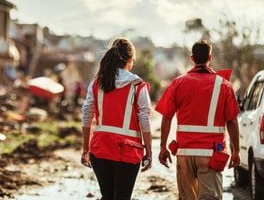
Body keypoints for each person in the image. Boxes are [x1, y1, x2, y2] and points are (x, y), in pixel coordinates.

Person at [155, 40, 240, 200]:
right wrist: (236, 150)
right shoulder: (224, 85)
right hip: (211, 153)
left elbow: (167, 117)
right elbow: (232, 121)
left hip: (184, 153)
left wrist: (163, 147)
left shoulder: (178, 83)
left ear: (192, 58)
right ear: (210, 57)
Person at [81, 38, 152, 200]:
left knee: (107, 196)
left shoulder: (97, 83)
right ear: (129, 59)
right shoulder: (137, 85)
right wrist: (148, 151)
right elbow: (144, 119)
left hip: (100, 149)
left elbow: (87, 115)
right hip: (127, 152)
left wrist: (86, 148)